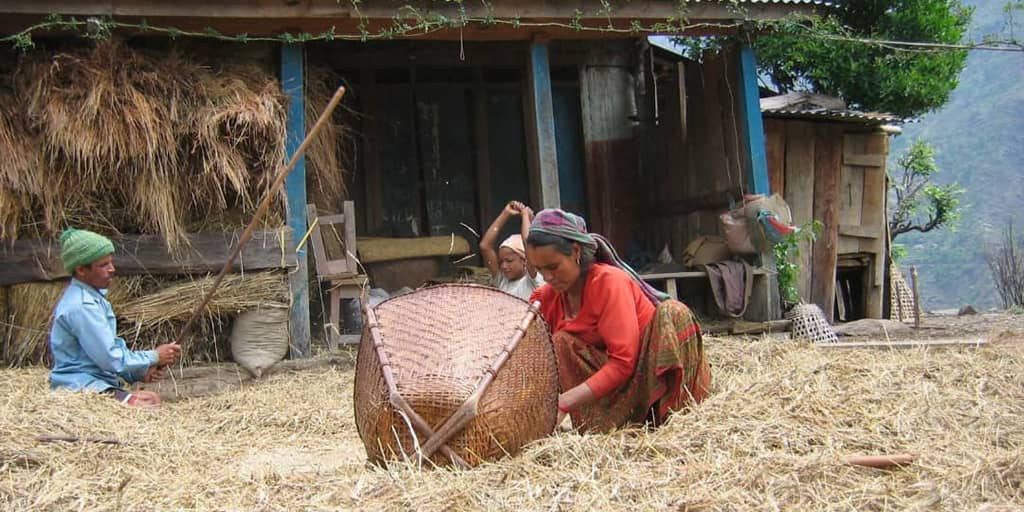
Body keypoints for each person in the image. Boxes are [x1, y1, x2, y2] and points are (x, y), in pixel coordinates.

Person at [526, 209, 711, 432]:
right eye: (540, 270)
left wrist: (564, 402)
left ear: (575, 252)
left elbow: (623, 362)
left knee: (673, 313)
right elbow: (531, 353)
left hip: (648, 374)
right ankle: (602, 425)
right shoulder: (548, 297)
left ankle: (668, 416)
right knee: (561, 342)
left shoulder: (609, 283)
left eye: (553, 267)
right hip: (611, 384)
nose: (547, 277)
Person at [49, 228, 181, 407]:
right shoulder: (82, 307)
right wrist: (154, 356)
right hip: (80, 385)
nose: (112, 269)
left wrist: (139, 372)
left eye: (111, 262)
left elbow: (111, 348)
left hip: (96, 382)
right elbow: (110, 358)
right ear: (81, 270)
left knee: (152, 399)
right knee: (148, 404)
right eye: (103, 265)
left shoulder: (94, 299)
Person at [479, 201, 544, 301]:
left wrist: (525, 215)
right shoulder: (502, 281)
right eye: (501, 262)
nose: (504, 266)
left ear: (524, 260)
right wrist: (505, 213)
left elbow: (528, 242)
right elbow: (485, 246)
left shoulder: (533, 280)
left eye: (509, 261)